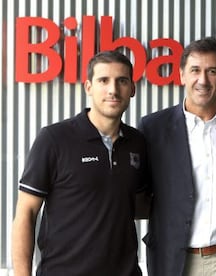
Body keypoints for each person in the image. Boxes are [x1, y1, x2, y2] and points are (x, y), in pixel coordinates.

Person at [12, 50, 147, 276]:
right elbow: (26, 212)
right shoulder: (55, 139)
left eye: (121, 81)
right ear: (88, 87)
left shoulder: (137, 143)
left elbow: (139, 205)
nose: (113, 90)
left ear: (132, 89)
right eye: (103, 80)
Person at [138, 38, 216, 276]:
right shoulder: (153, 128)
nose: (202, 80)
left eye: (212, 71)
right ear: (182, 74)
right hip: (176, 261)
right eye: (195, 70)